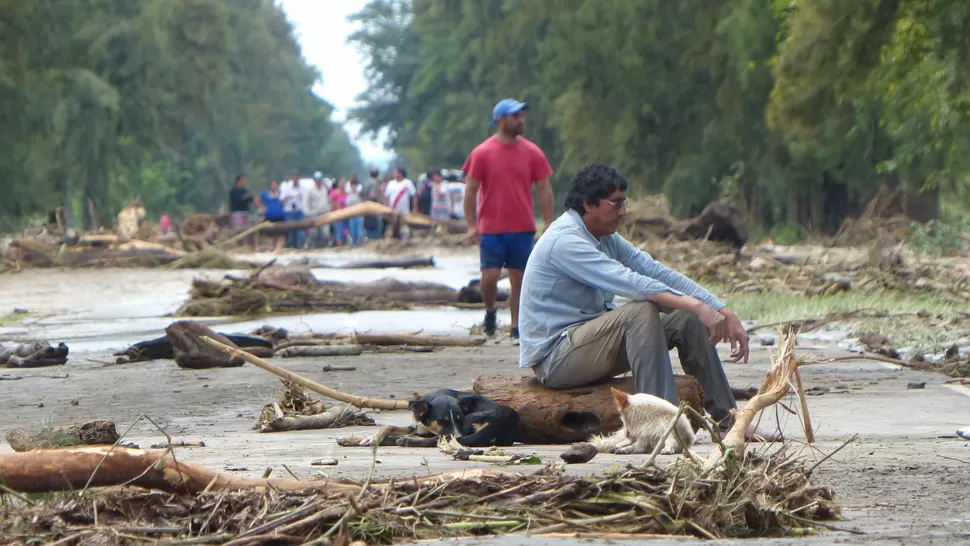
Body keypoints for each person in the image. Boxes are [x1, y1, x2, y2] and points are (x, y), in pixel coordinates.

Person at [518, 163, 782, 441]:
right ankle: (662, 428)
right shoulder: (566, 241)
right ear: (589, 204)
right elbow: (633, 283)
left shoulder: (604, 237)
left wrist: (720, 308)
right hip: (557, 359)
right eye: (616, 204)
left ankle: (727, 421)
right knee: (641, 310)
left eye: (624, 202)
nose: (623, 212)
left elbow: (654, 271)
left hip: (589, 344)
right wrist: (697, 305)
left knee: (685, 318)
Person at [463, 98, 555, 338]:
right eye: (515, 116)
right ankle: (490, 310)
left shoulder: (532, 152)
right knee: (490, 276)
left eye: (522, 116)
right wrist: (472, 226)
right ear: (501, 120)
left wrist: (548, 224)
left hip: (522, 226)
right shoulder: (482, 153)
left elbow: (544, 189)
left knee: (520, 279)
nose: (521, 120)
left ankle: (516, 326)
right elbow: (470, 190)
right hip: (491, 228)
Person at [384, 167, 417, 239]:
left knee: (404, 227)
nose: (394, 174)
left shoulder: (408, 183)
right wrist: (386, 208)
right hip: (393, 210)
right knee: (393, 227)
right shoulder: (390, 183)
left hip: (404, 211)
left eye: (396, 172)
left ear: (400, 174)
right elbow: (387, 197)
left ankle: (405, 242)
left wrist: (415, 208)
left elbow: (414, 195)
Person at [256, 180, 286, 253]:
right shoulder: (265, 194)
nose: (274, 186)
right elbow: (257, 199)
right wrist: (261, 208)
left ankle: (279, 248)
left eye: (275, 184)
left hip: (280, 216)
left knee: (281, 233)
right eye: (272, 184)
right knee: (270, 234)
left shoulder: (280, 193)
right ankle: (271, 248)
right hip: (269, 216)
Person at [303, 171, 332, 248]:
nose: (319, 181)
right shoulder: (310, 190)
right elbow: (306, 203)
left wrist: (329, 209)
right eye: (317, 179)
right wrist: (307, 213)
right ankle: (310, 246)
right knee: (313, 233)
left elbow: (327, 200)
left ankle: (326, 246)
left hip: (325, 213)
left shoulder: (325, 189)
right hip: (314, 214)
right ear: (314, 180)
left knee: (326, 232)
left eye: (320, 179)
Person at [281, 171, 306, 249]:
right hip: (289, 211)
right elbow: (281, 199)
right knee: (291, 231)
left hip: (299, 211)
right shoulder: (286, 187)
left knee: (300, 231)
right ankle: (292, 247)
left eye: (297, 177)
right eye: (294, 177)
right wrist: (288, 197)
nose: (295, 179)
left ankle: (300, 247)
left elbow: (304, 199)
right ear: (292, 178)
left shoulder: (302, 188)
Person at [362, 167, 384, 240]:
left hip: (366, 207)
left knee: (367, 226)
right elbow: (373, 195)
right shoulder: (376, 183)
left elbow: (361, 196)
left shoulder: (365, 183)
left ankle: (368, 239)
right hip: (375, 207)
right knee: (377, 226)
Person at [344, 173, 364, 246]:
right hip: (352, 216)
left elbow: (362, 203)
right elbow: (347, 204)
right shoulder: (349, 195)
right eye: (352, 186)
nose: (354, 187)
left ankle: (360, 245)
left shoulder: (359, 195)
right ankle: (353, 244)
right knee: (352, 231)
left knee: (359, 232)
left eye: (355, 186)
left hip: (359, 216)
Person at [329, 179, 348, 246]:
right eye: (342, 183)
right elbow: (330, 200)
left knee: (344, 233)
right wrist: (336, 204)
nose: (343, 185)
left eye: (344, 183)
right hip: (337, 216)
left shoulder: (346, 193)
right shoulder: (335, 192)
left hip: (345, 216)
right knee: (339, 233)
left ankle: (343, 246)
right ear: (339, 184)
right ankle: (340, 248)